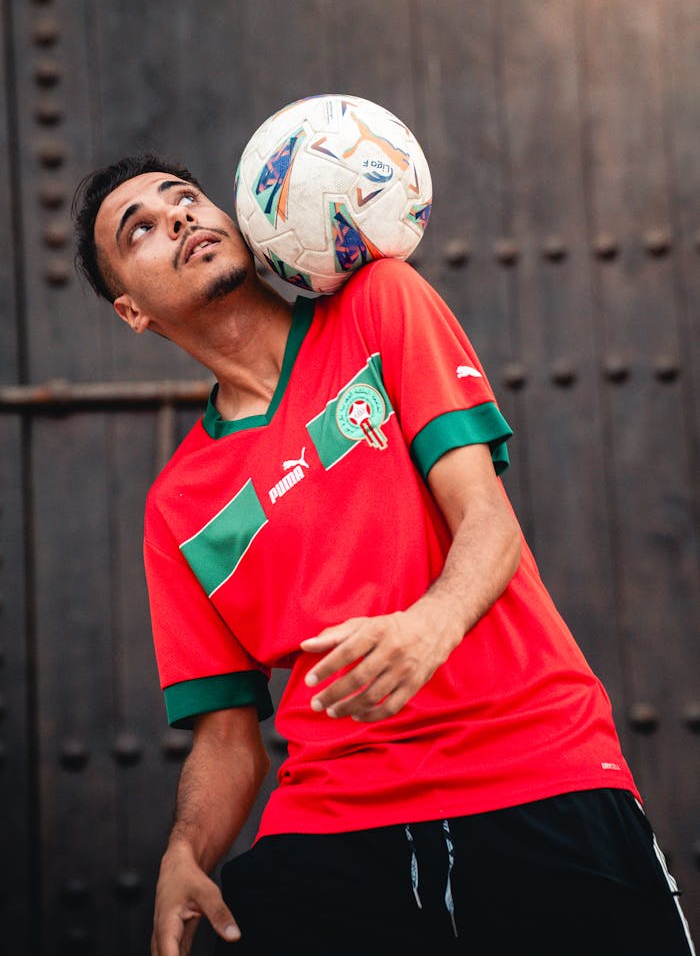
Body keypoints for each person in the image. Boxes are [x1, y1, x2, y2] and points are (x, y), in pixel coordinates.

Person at [73, 153, 695, 956]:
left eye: (185, 199)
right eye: (143, 231)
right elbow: (227, 737)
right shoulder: (180, 505)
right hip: (337, 823)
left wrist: (430, 624)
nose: (180, 220)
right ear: (132, 312)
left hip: (536, 772)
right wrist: (185, 854)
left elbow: (489, 521)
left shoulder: (377, 303)